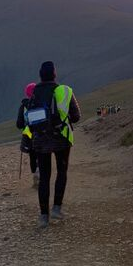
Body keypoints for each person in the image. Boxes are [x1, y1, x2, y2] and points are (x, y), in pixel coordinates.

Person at [18, 61, 81, 228]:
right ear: (54, 74)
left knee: (44, 177)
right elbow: (76, 116)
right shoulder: (65, 91)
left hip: (39, 140)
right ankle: (57, 208)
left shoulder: (34, 94)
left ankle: (43, 216)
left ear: (40, 75)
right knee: (61, 172)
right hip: (62, 138)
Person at [16, 82, 40, 189]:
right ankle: (40, 173)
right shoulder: (41, 103)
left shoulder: (23, 106)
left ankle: (35, 174)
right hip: (41, 133)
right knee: (41, 155)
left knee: (32, 155)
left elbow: (19, 124)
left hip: (29, 135)